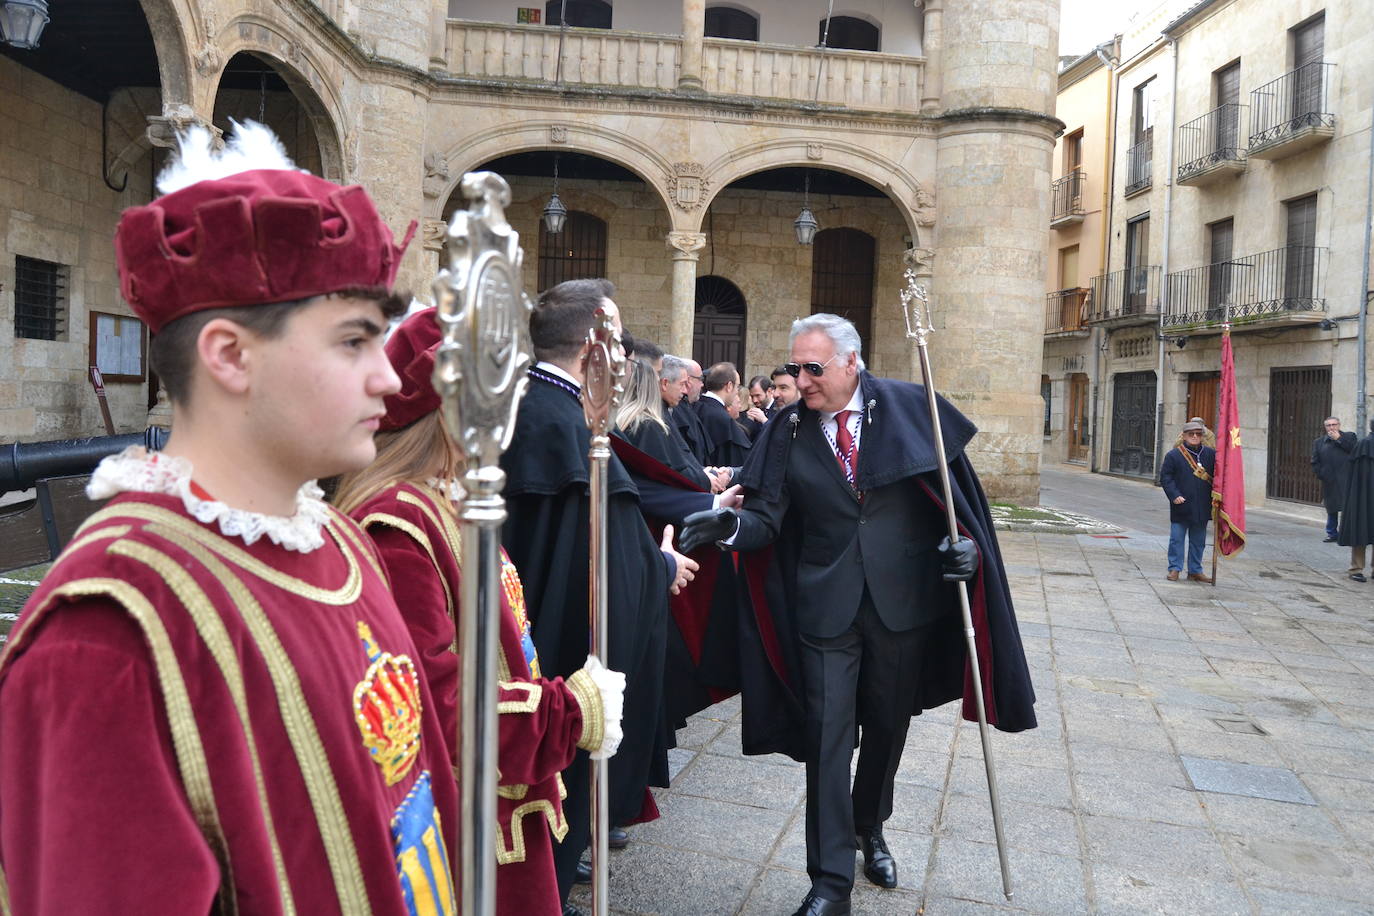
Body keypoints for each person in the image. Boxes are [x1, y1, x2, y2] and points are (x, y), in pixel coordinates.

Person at [0, 123, 460, 912]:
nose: (390, 378)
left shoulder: (342, 540)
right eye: (354, 341)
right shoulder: (108, 631)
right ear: (229, 355)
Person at [679, 313, 1036, 916]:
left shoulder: (910, 408)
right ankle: (829, 883)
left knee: (886, 730)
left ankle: (871, 825)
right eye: (795, 367)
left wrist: (966, 551)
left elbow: (955, 506)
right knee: (827, 739)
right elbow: (767, 515)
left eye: (813, 368)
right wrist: (731, 527)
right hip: (824, 610)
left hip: (903, 606)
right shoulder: (787, 430)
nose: (801, 379)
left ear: (851, 362)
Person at [333, 308, 627, 915]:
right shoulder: (400, 522)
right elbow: (428, 708)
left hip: (502, 809)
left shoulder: (450, 500)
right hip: (463, 821)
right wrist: (568, 711)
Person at [499, 278, 694, 914]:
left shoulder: (526, 404)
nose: (624, 360)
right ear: (592, 348)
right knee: (559, 789)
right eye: (616, 342)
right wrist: (661, 563)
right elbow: (605, 557)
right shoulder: (570, 424)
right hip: (561, 641)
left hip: (522, 627)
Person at [1160, 417, 1217, 583]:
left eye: (1198, 434)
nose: (1194, 437)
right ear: (1184, 436)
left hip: (1202, 505)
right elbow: (1166, 477)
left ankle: (1195, 570)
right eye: (1191, 434)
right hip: (1182, 503)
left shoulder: (1210, 454)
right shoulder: (1173, 455)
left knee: (1198, 541)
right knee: (1177, 539)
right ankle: (1174, 569)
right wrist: (1174, 495)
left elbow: (1219, 476)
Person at [1337, 420, 1374, 582]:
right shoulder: (1363, 445)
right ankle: (1356, 569)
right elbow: (1356, 475)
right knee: (1361, 531)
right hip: (1363, 497)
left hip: (1365, 496)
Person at [698, 361, 753, 467]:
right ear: (729, 386)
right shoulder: (723, 420)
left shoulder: (696, 407)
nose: (737, 391)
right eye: (737, 386)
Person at [1312, 417, 1357, 542]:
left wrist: (1339, 439)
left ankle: (1348, 533)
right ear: (1325, 427)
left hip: (1348, 479)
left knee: (1348, 507)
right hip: (1330, 480)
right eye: (1328, 425)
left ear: (1339, 425)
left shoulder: (1350, 436)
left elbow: (1354, 450)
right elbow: (1315, 461)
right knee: (1332, 508)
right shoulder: (1319, 442)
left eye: (1334, 424)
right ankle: (1332, 533)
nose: (1331, 427)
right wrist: (1321, 474)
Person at [673, 357, 712, 465]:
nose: (702, 384)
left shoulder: (687, 408)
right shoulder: (676, 411)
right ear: (688, 380)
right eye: (700, 379)